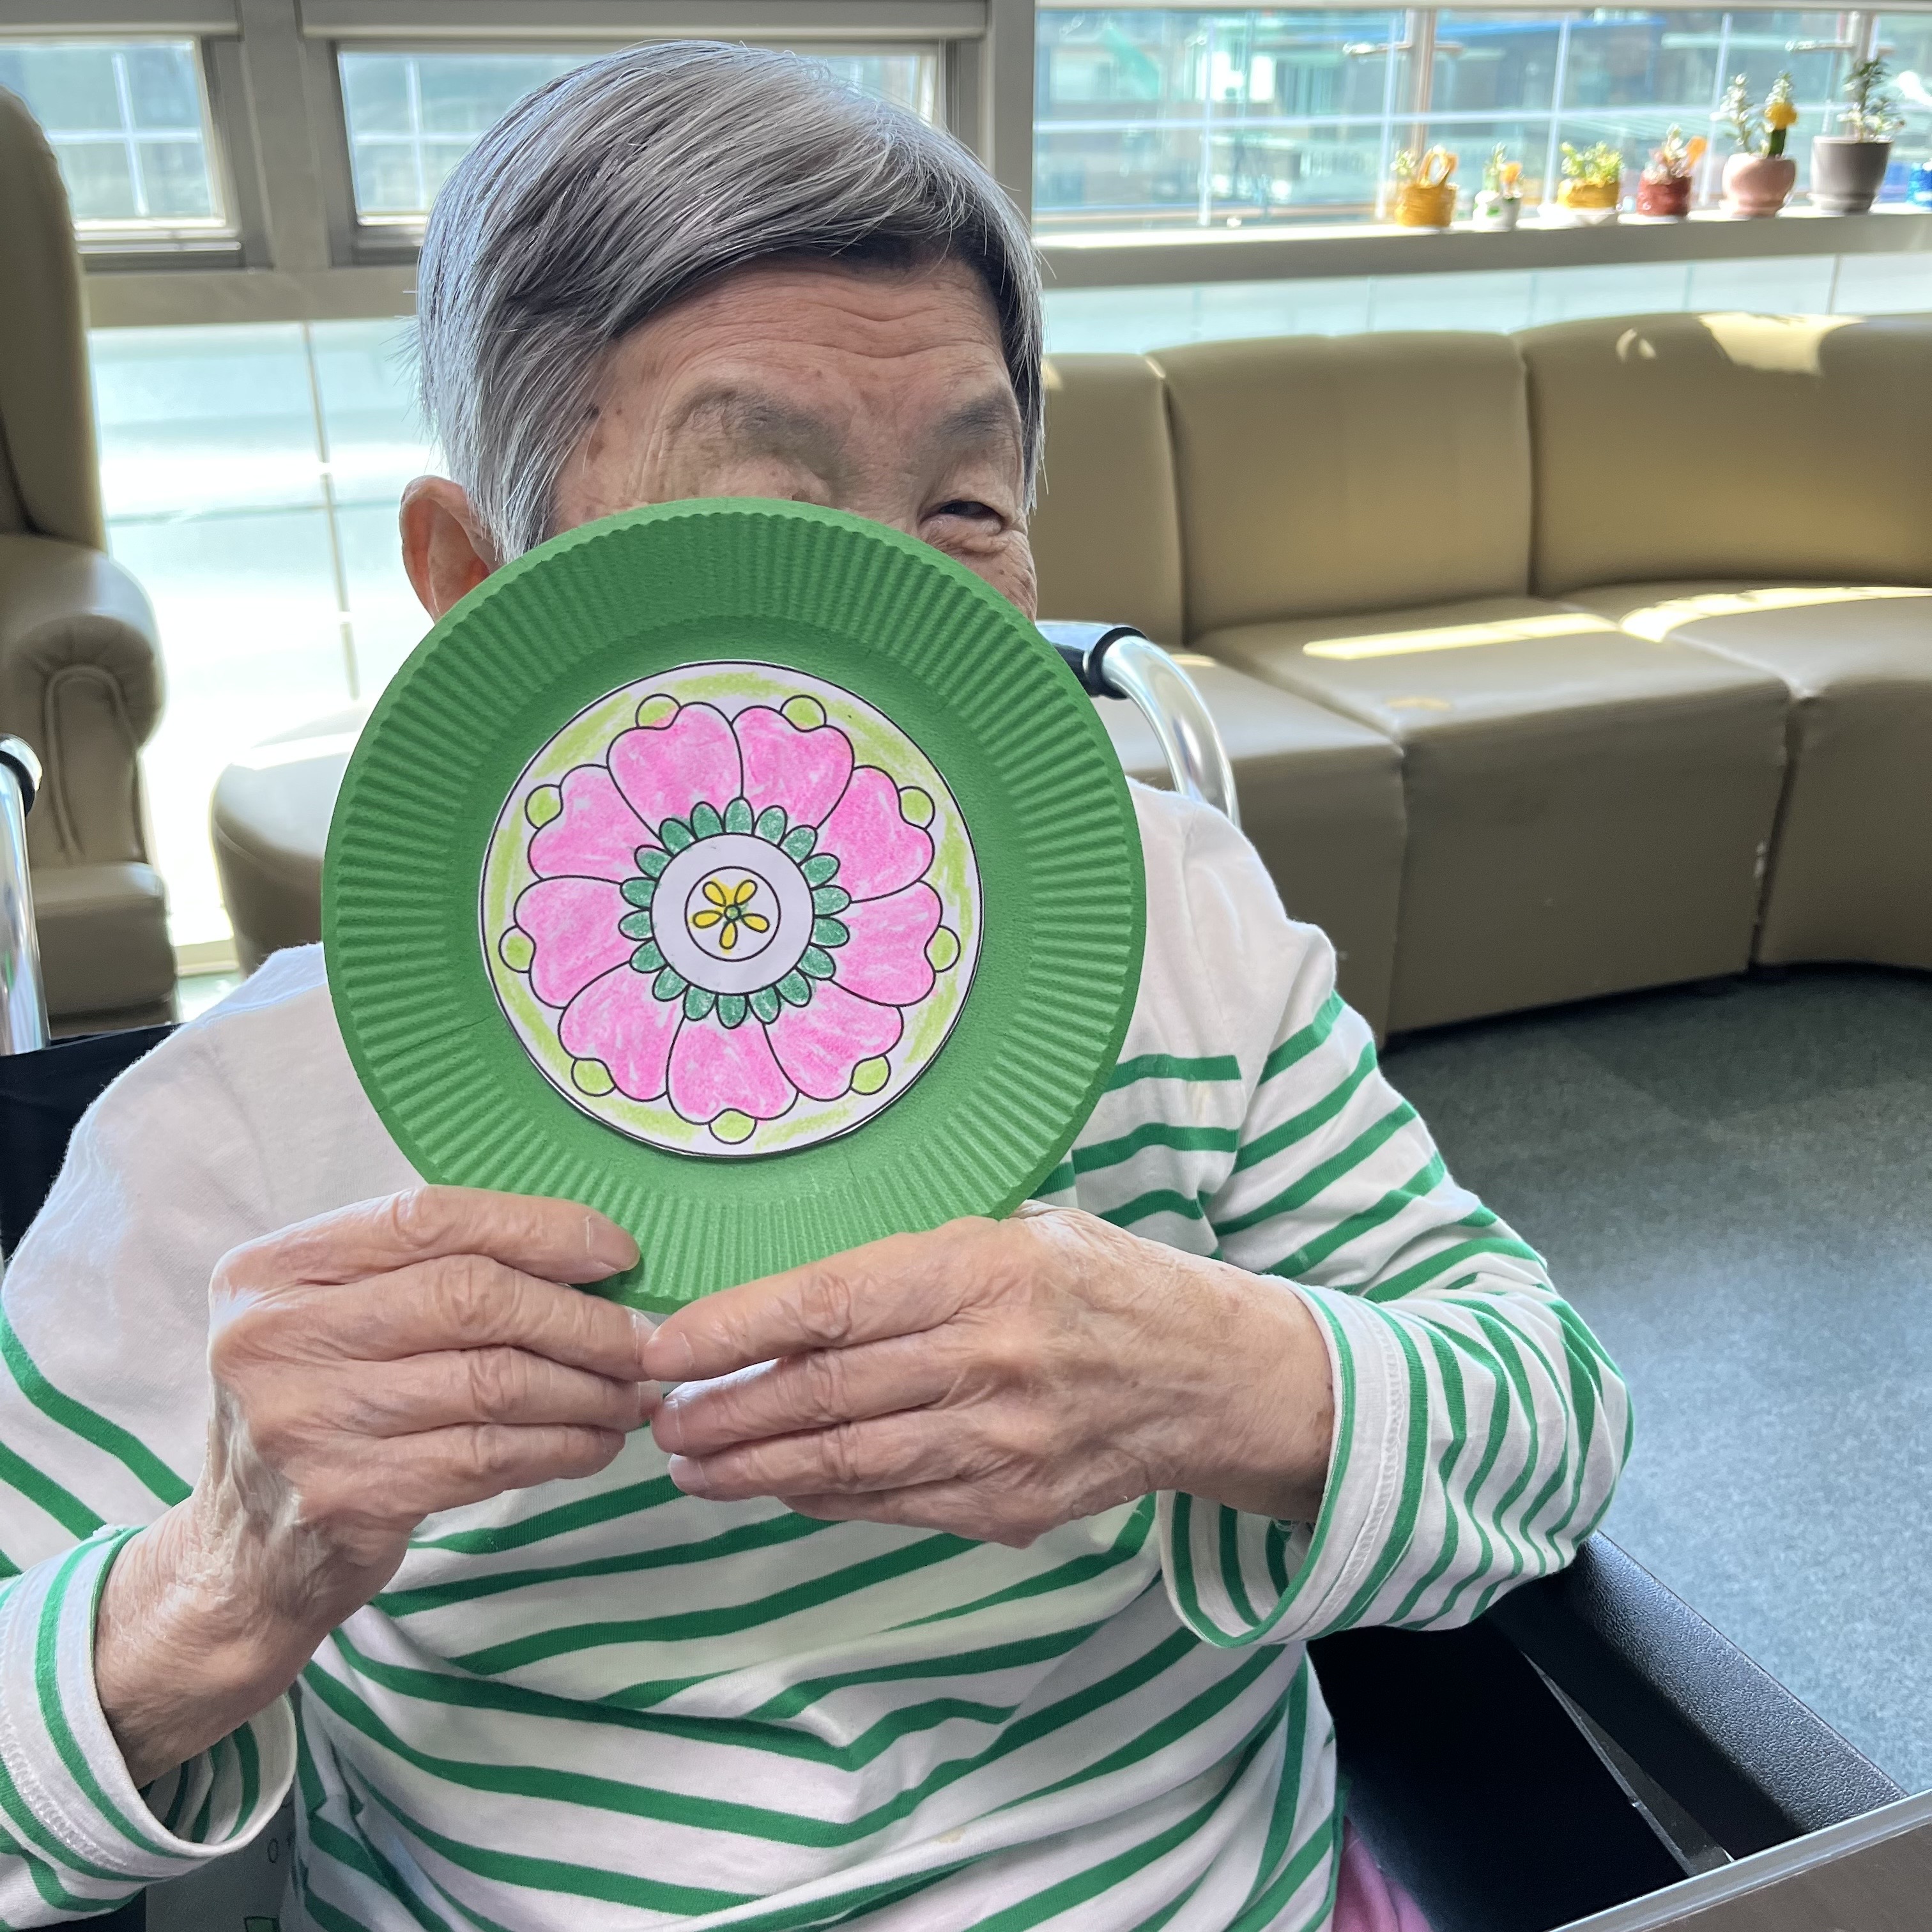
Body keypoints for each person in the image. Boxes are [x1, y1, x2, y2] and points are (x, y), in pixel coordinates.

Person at [0, 42, 1628, 1931]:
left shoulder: (1183, 923)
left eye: (968, 516)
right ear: (474, 575)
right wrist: (221, 1580)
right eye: (757, 524)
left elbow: (1550, 1424)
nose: (884, 630)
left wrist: (1222, 1377)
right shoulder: (235, 1137)